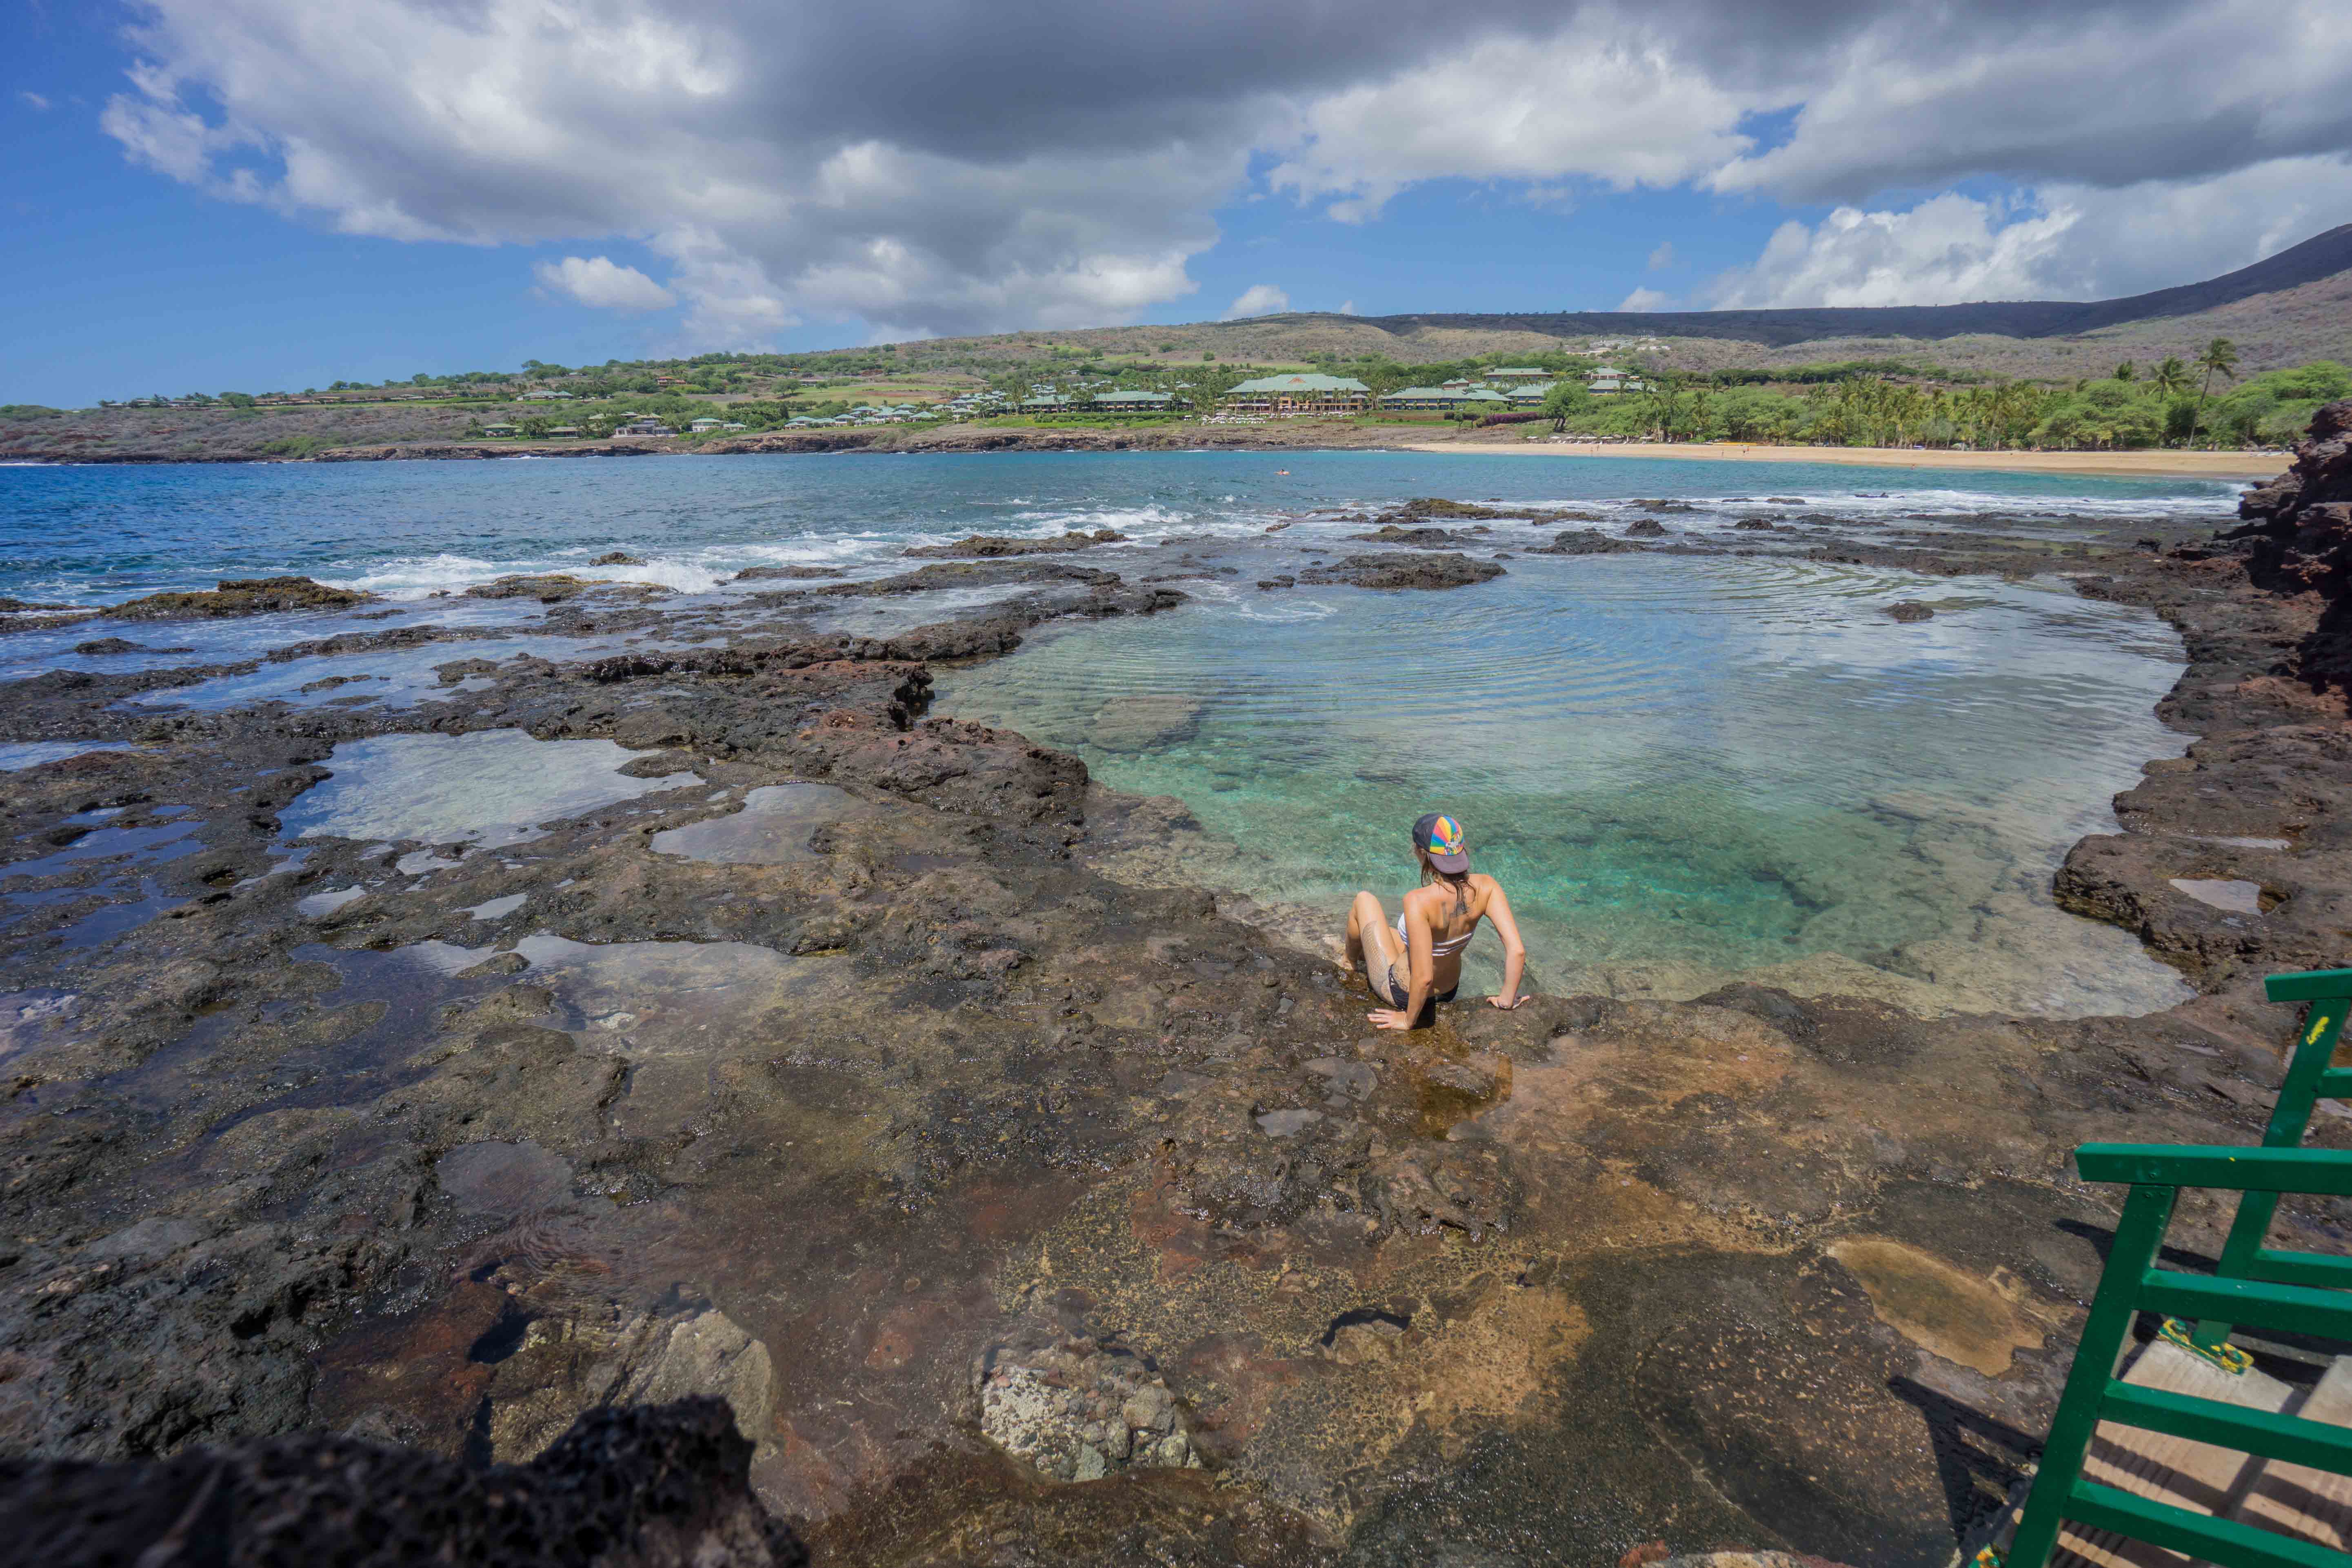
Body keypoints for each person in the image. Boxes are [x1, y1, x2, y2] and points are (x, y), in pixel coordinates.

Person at [1344, 813, 1528, 1031]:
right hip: (1449, 990)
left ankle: (1348, 963)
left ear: (1422, 853)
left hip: (1404, 991)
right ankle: (1358, 958)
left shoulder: (1418, 901)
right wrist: (1506, 1000)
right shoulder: (1488, 886)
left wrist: (1407, 1021)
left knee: (1364, 900)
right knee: (1394, 935)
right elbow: (1517, 951)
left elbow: (1423, 978)